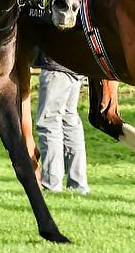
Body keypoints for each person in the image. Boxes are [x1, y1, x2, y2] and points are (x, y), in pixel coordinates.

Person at [33, 51, 89, 195]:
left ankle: (52, 185)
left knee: (49, 123)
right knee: (69, 121)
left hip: (56, 66)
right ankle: (78, 186)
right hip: (77, 66)